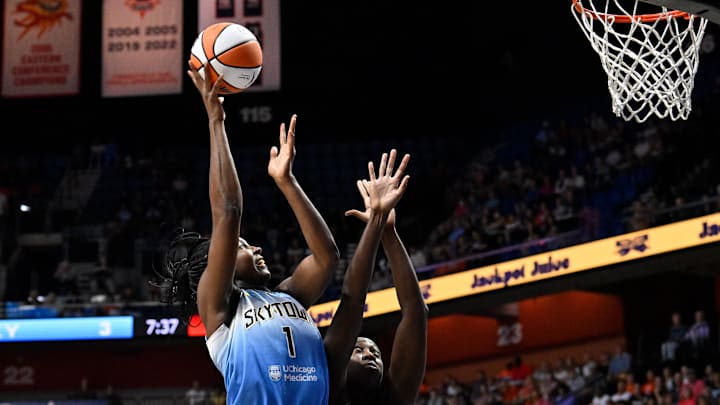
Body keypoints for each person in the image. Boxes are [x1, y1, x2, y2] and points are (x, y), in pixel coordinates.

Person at [151, 66, 340, 404]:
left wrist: (288, 183)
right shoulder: (220, 308)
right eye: (240, 245)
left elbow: (327, 258)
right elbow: (228, 212)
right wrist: (216, 121)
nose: (254, 246)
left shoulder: (289, 296)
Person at [323, 149, 428, 404]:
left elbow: (415, 312)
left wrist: (388, 233)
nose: (370, 355)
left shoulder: (395, 396)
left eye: (376, 353)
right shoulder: (329, 392)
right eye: (358, 350)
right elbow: (353, 301)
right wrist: (376, 224)